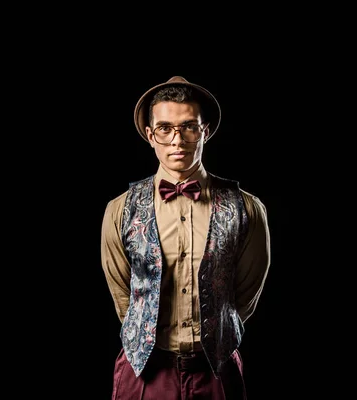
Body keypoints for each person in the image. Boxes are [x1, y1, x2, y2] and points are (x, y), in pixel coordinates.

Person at [100, 76, 271, 399]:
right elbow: (123, 294)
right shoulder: (120, 209)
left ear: (205, 131)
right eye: (165, 128)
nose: (177, 140)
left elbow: (245, 295)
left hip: (216, 371)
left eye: (188, 126)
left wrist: (214, 332)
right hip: (145, 372)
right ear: (151, 136)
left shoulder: (246, 208)